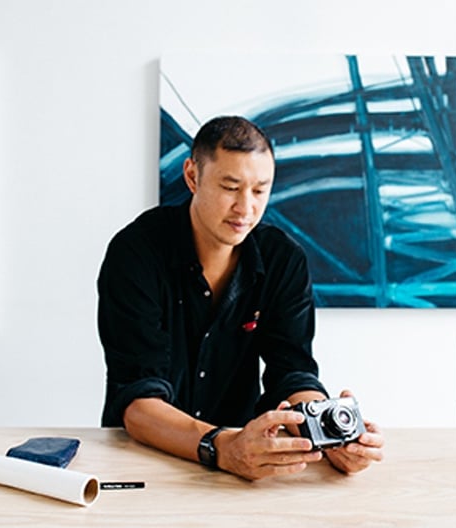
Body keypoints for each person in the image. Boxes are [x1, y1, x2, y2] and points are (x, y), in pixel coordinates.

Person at [97, 115, 383, 481]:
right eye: (231, 187)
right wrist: (221, 447)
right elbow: (137, 399)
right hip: (144, 458)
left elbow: (291, 373)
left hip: (242, 462)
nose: (246, 208)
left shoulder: (283, 259)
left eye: (260, 191)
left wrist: (329, 436)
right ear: (192, 176)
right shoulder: (136, 253)